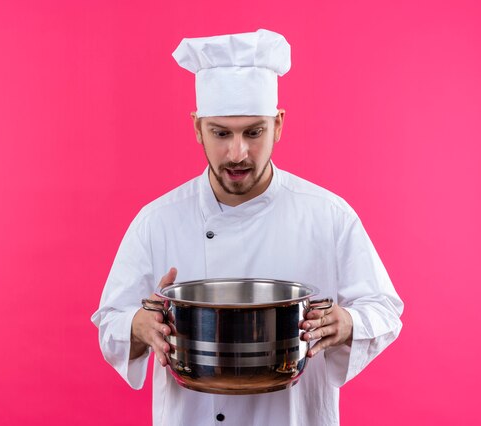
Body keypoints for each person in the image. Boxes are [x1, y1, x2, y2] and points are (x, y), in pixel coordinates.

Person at [91, 29, 403, 426]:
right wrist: (138, 326)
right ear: (197, 127)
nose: (237, 153)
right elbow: (110, 323)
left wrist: (349, 324)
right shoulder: (157, 221)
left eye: (253, 132)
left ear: (279, 125)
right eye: (221, 133)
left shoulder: (328, 216)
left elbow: (386, 310)